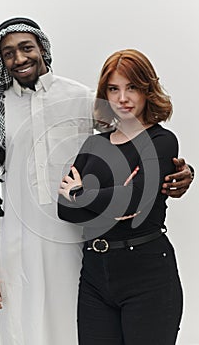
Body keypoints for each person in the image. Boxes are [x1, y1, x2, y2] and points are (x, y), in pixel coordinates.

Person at [0, 17, 192, 345]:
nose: (19, 58)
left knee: (75, 333)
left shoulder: (81, 99)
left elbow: (137, 139)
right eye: (8, 53)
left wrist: (181, 173)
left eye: (26, 48)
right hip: (18, 246)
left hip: (79, 247)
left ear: (43, 48)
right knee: (22, 332)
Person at [58, 49, 191, 345]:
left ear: (147, 89)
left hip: (147, 272)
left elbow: (136, 198)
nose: (122, 98)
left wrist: (82, 193)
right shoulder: (94, 144)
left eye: (132, 87)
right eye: (114, 89)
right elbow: (65, 209)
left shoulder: (161, 140)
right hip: (94, 273)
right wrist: (113, 198)